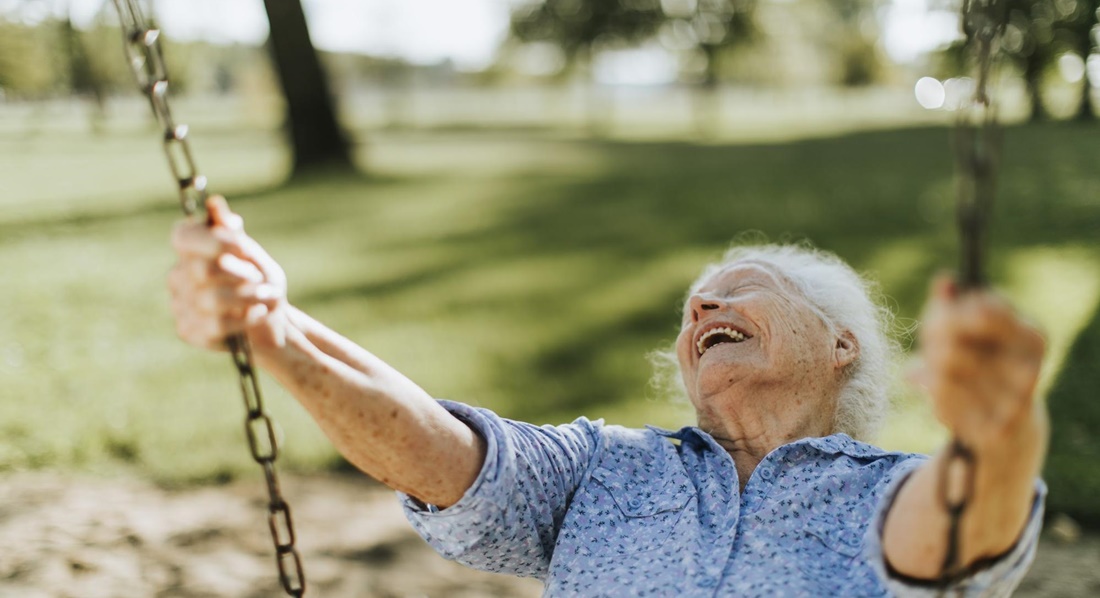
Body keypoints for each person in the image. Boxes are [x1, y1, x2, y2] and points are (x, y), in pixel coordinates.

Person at [169, 196, 1047, 596]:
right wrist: (273, 328)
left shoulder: (888, 489)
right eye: (693, 307)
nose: (705, 305)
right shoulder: (604, 468)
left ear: (841, 345)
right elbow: (442, 453)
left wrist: (999, 428)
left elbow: (960, 529)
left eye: (745, 287)